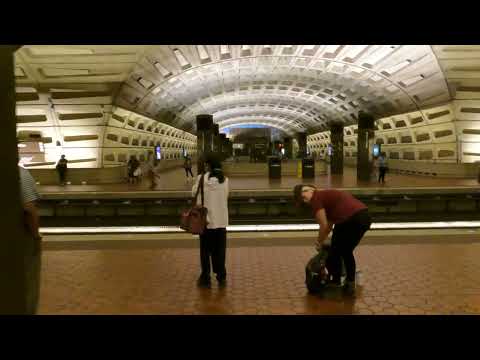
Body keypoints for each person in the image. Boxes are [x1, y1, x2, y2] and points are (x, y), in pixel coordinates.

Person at [293, 184, 372, 296]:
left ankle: (336, 282)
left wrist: (319, 242)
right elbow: (329, 225)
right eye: (302, 197)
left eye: (305, 191)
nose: (304, 196)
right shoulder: (326, 198)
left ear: (312, 189)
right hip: (364, 217)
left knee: (338, 251)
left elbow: (323, 225)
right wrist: (322, 240)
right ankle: (348, 284)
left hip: (351, 219)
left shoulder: (316, 198)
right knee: (344, 251)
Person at [191, 154, 229, 289]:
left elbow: (193, 193)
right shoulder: (225, 180)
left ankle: (205, 277)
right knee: (220, 251)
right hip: (221, 222)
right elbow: (226, 196)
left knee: (205, 251)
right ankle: (221, 276)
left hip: (205, 222)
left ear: (208, 165)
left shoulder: (201, 179)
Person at [19, 165, 42, 314]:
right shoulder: (20, 173)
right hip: (20, 238)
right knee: (28, 281)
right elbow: (28, 208)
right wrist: (36, 236)